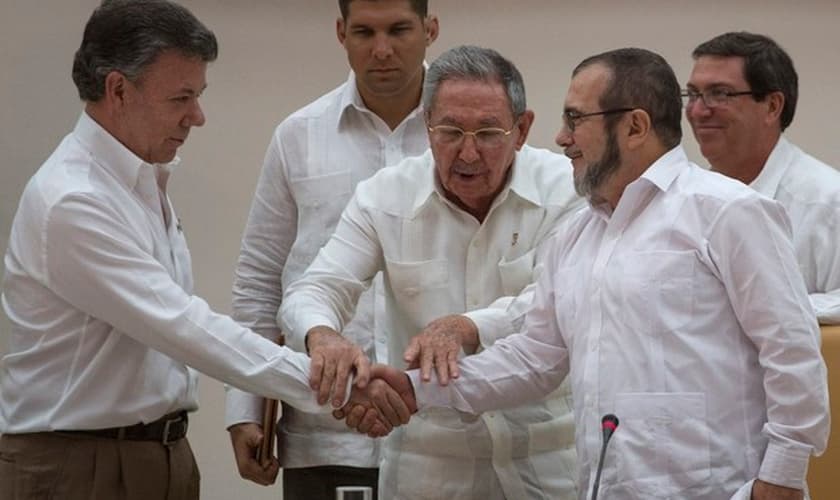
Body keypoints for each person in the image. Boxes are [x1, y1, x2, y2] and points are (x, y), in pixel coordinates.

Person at [346, 48, 830, 500]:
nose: (561, 137)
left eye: (576, 119)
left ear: (635, 127)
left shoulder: (728, 212)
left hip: (720, 489)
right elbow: (535, 357)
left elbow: (791, 347)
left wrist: (783, 474)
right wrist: (416, 388)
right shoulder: (576, 236)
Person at [0, 2, 406, 499]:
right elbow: (187, 328)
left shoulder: (138, 181)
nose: (198, 116)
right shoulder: (74, 200)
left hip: (155, 452)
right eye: (181, 97)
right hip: (79, 464)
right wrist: (339, 385)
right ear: (118, 90)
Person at [281, 45, 583, 500]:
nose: (468, 152)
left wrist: (464, 327)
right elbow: (315, 287)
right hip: (430, 464)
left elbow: (552, 304)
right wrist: (323, 336)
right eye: (449, 130)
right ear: (426, 127)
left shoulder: (566, 189)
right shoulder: (384, 197)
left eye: (487, 132)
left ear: (522, 130)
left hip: (550, 458)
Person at [223, 0, 439, 496]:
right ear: (341, 32)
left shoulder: (462, 137)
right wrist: (244, 407)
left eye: (399, 30)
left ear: (430, 28)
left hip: (444, 434)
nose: (381, 50)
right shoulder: (298, 136)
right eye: (364, 32)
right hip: (326, 434)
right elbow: (261, 278)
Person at [685, 31, 840, 325]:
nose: (697, 110)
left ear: (772, 106)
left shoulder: (827, 202)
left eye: (720, 93)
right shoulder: (685, 201)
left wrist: (744, 311)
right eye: (693, 94)